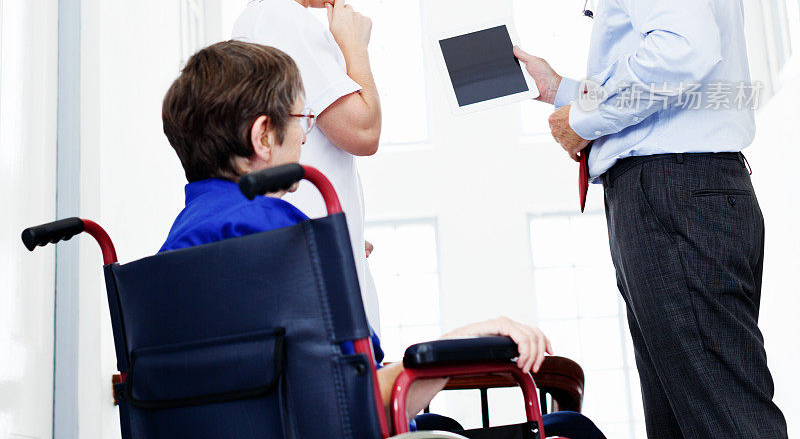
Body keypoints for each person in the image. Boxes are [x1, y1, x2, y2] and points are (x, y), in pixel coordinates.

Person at [159, 40, 606, 438]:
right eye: (302, 119)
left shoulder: (169, 258)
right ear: (262, 136)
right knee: (570, 428)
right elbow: (359, 402)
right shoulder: (284, 235)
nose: (305, 133)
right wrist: (464, 339)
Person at [513, 0, 787, 439]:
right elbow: (665, 83)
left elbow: (684, 50)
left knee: (724, 419)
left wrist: (581, 120)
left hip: (674, 196)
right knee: (685, 421)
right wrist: (560, 89)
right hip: (677, 193)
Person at [228, 0, 382, 328]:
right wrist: (354, 48)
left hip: (300, 246)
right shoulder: (286, 23)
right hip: (311, 265)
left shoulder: (258, 20)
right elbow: (364, 131)